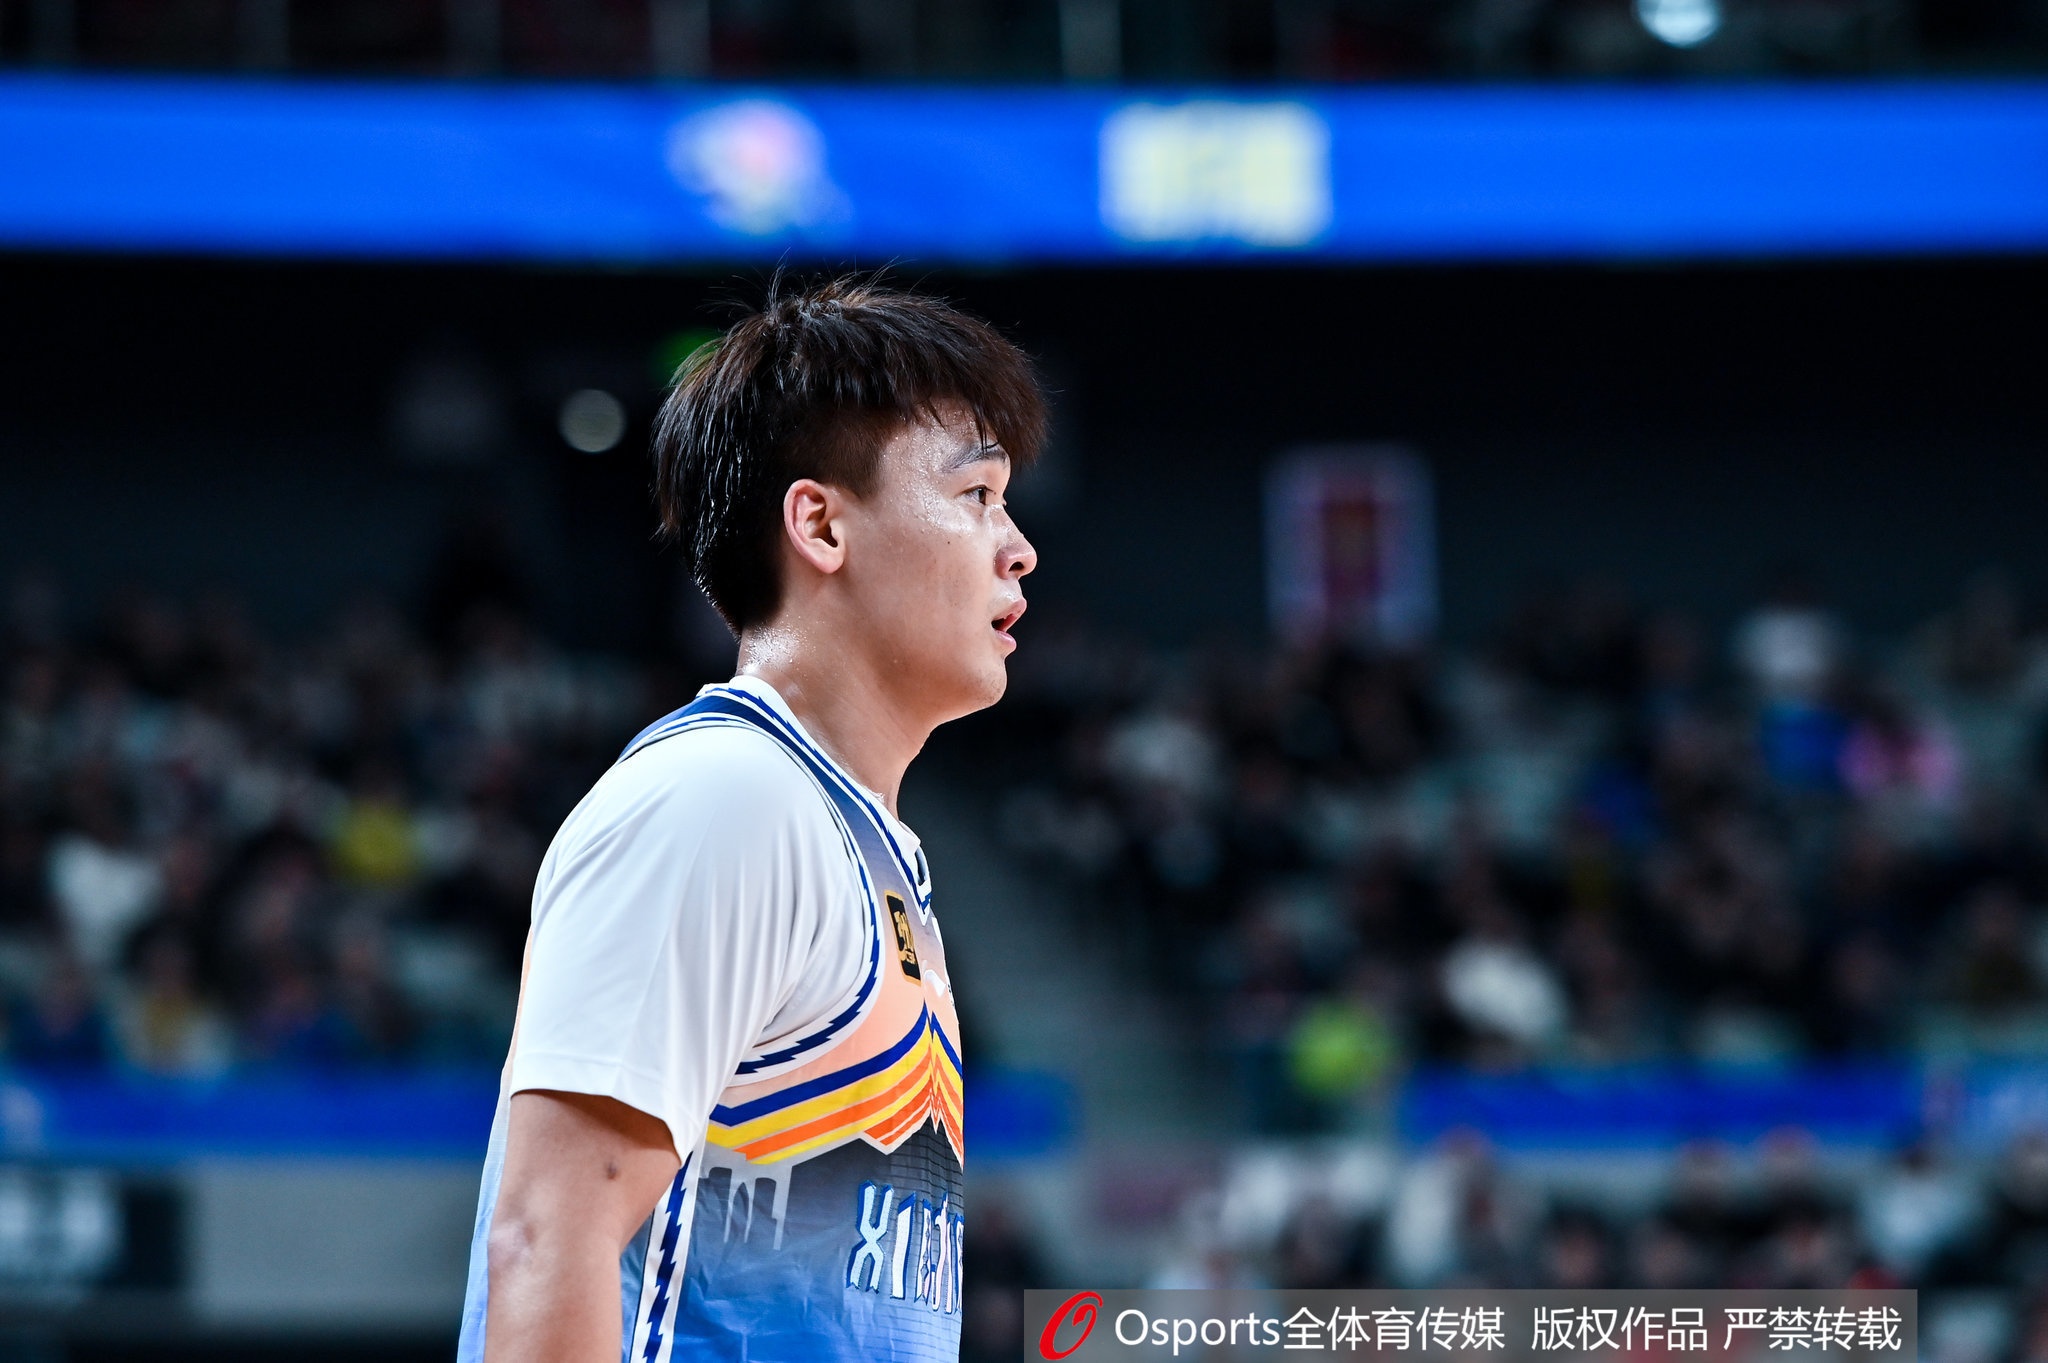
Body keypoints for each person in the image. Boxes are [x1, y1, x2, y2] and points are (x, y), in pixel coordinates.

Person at [458, 277, 1043, 1363]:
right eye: (976, 495)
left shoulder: (864, 844)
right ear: (819, 523)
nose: (1017, 548)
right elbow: (544, 1241)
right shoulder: (723, 798)